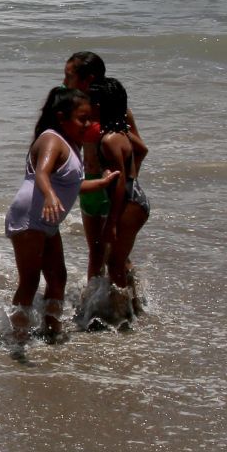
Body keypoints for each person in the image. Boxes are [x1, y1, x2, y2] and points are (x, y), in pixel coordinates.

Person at [3, 86, 110, 341]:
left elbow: (72, 185)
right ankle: (17, 337)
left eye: (90, 118)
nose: (88, 124)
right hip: (30, 217)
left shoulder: (72, 144)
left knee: (57, 277)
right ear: (62, 118)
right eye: (82, 119)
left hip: (47, 220)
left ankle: (52, 330)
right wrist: (50, 195)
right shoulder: (52, 138)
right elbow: (42, 172)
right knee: (30, 280)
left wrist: (103, 183)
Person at [82, 77, 149, 325]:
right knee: (118, 260)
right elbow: (142, 150)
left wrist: (111, 222)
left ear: (100, 106)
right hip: (135, 199)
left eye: (91, 103)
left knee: (114, 263)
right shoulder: (121, 133)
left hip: (129, 202)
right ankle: (133, 307)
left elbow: (118, 184)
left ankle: (121, 319)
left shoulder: (109, 140)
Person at [64, 51, 145, 164]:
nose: (64, 82)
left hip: (110, 178)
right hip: (92, 177)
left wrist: (130, 179)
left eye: (69, 77)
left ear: (88, 80)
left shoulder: (114, 112)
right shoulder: (77, 111)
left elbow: (141, 150)